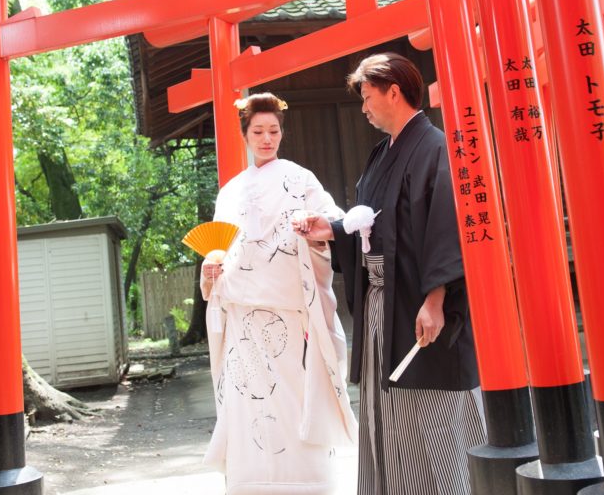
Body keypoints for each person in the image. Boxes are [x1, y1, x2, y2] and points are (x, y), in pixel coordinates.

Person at [293, 53, 486, 494]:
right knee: (388, 411)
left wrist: (435, 298)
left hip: (420, 304)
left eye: (367, 96)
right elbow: (371, 223)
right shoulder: (382, 154)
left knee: (431, 410)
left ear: (393, 92)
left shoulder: (435, 147)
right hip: (382, 302)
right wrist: (332, 230)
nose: (363, 107)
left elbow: (445, 224)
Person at [200, 92, 357, 495]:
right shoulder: (230, 192)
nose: (266, 139)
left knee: (295, 400)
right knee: (247, 401)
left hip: (289, 314)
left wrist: (315, 229)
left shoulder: (300, 179)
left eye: (273, 131)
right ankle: (250, 483)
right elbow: (221, 250)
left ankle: (309, 484)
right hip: (241, 318)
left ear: (282, 133)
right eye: (258, 131)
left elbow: (332, 222)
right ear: (245, 135)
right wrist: (211, 271)